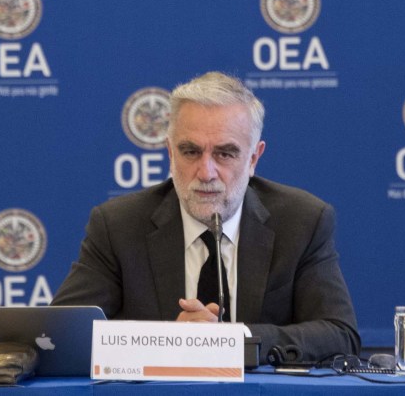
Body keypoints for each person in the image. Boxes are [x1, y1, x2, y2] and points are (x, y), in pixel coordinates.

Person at [51, 71, 360, 362]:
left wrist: (233, 340)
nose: (206, 172)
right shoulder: (118, 226)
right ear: (171, 154)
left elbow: (339, 334)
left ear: (253, 158)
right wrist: (170, 341)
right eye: (191, 152)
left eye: (225, 154)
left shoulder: (302, 221)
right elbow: (62, 335)